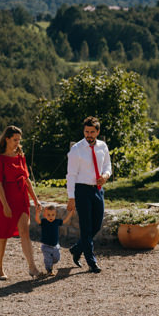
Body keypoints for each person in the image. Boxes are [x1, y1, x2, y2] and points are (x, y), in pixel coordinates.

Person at [0, 125, 42, 279]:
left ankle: (32, 267)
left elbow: (27, 180)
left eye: (19, 140)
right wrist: (5, 205)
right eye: (15, 139)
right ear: (7, 139)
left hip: (22, 199)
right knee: (2, 236)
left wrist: (36, 200)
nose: (18, 142)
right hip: (6, 200)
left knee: (25, 232)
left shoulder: (20, 157)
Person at [67, 116, 112, 274]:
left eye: (92, 132)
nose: (89, 135)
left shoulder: (103, 146)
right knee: (86, 227)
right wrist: (71, 197)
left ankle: (77, 249)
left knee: (97, 224)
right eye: (86, 132)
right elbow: (71, 175)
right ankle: (91, 261)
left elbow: (108, 166)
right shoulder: (76, 150)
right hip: (82, 190)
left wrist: (105, 176)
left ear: (98, 132)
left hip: (98, 189)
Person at [35, 204, 74, 275]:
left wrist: (70, 214)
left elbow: (65, 221)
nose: (51, 216)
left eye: (53, 215)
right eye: (48, 215)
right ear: (45, 215)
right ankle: (49, 270)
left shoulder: (56, 221)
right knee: (48, 259)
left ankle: (50, 264)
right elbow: (37, 220)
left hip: (55, 245)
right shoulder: (44, 222)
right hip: (46, 246)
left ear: (55, 215)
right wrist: (37, 213)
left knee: (56, 259)